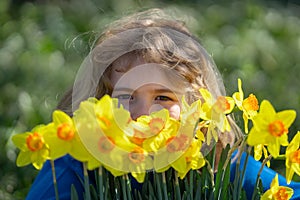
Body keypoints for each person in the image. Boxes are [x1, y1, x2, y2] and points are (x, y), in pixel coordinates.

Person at [25, 8, 299, 200]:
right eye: (124, 97)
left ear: (197, 105)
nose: (143, 114)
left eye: (163, 97)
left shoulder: (215, 159)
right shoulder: (75, 164)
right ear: (98, 104)